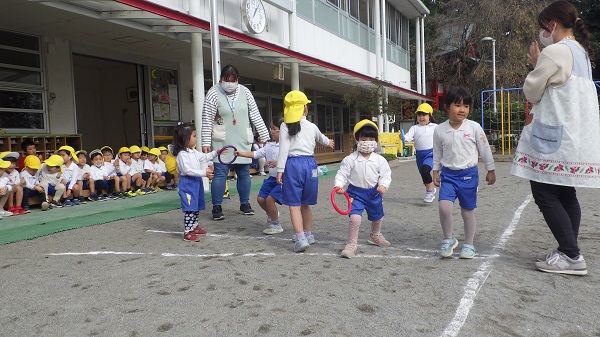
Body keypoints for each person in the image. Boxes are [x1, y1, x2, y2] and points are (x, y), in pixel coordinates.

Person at [510, 1, 598, 276]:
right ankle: (567, 249)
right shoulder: (581, 52)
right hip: (577, 135)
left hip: (556, 136)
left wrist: (536, 64)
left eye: (542, 28)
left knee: (544, 192)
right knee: (565, 191)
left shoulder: (555, 51)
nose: (541, 35)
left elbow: (532, 91)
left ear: (552, 25)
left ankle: (571, 255)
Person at [432, 87, 496, 259]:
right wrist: (435, 170)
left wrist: (490, 169)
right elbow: (437, 153)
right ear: (446, 107)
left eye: (466, 106)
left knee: (467, 212)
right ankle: (448, 239)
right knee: (444, 207)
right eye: (458, 105)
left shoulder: (474, 127)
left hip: (469, 175)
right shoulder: (439, 130)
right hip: (448, 176)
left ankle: (469, 244)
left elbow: (484, 149)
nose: (462, 110)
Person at [201, 64, 270, 220]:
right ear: (221, 79)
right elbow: (207, 119)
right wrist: (205, 141)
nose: (230, 83)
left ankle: (244, 203)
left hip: (242, 139)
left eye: (233, 80)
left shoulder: (245, 92)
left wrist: (265, 135)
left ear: (238, 80)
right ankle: (217, 207)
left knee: (244, 172)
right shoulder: (213, 92)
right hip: (222, 141)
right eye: (226, 80)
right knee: (220, 174)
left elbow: (255, 114)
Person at [276, 90, 335, 252]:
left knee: (294, 204)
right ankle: (308, 234)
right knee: (305, 203)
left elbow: (283, 150)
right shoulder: (312, 126)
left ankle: (300, 238)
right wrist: (329, 142)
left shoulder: (285, 125)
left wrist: (279, 170)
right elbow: (322, 139)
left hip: (293, 165)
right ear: (305, 108)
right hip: (310, 165)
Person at [334, 120, 392, 258]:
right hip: (355, 193)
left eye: (371, 139)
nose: (367, 142)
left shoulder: (380, 160)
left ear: (376, 141)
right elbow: (342, 174)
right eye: (363, 139)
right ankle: (351, 244)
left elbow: (386, 174)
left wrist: (383, 185)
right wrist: (338, 185)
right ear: (357, 139)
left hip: (374, 193)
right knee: (354, 218)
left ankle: (375, 235)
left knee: (377, 216)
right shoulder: (350, 159)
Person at [235, 115, 284, 235]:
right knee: (260, 199)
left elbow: (291, 160)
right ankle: (272, 215)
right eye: (271, 128)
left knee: (269, 200)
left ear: (283, 130)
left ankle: (276, 225)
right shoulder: (269, 145)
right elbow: (256, 154)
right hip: (272, 178)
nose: (271, 131)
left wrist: (278, 162)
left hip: (283, 179)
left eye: (274, 128)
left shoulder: (287, 145)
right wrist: (240, 153)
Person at [173, 122, 220, 242]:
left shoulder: (192, 151)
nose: (195, 139)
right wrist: (204, 173)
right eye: (194, 136)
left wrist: (215, 153)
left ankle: (194, 226)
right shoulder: (182, 154)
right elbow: (187, 170)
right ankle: (188, 232)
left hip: (196, 182)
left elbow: (204, 157)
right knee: (190, 208)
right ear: (185, 138)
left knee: (196, 205)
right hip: (188, 184)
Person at [404, 103, 438, 203]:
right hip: (419, 155)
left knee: (425, 170)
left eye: (424, 115)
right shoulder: (414, 128)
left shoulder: (435, 127)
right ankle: (430, 188)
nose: (421, 117)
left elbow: (443, 136)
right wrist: (402, 138)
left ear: (430, 116)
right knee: (423, 175)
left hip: (431, 154)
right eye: (419, 115)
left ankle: (429, 192)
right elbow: (407, 137)